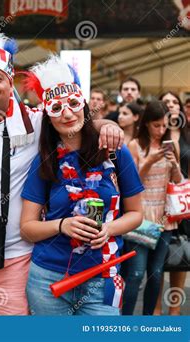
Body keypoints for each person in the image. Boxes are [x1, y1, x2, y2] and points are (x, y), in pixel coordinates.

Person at [0, 28, 124, 316]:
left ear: (9, 81)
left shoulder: (35, 122)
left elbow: (71, 121)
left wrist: (107, 125)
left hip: (18, 260)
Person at [20, 55, 144, 316]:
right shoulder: (45, 161)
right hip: (48, 279)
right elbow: (28, 228)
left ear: (84, 106)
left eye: (73, 103)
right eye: (56, 108)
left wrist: (108, 228)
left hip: (102, 277)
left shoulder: (114, 151)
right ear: (48, 117)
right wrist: (62, 225)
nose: (66, 113)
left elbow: (136, 214)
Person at [122, 101, 183, 315]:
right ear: (147, 124)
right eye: (156, 125)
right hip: (141, 217)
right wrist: (149, 161)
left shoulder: (171, 145)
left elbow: (178, 180)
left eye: (164, 125)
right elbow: (132, 183)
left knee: (156, 274)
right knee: (136, 274)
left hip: (165, 219)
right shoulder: (134, 145)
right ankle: (125, 322)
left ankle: (147, 322)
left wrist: (174, 165)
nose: (161, 130)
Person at [154, 91, 189, 315]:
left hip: (184, 202)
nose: (171, 105)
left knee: (182, 252)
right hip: (157, 201)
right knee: (157, 260)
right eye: (165, 102)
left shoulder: (187, 135)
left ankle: (174, 310)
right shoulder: (155, 133)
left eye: (174, 101)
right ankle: (155, 308)